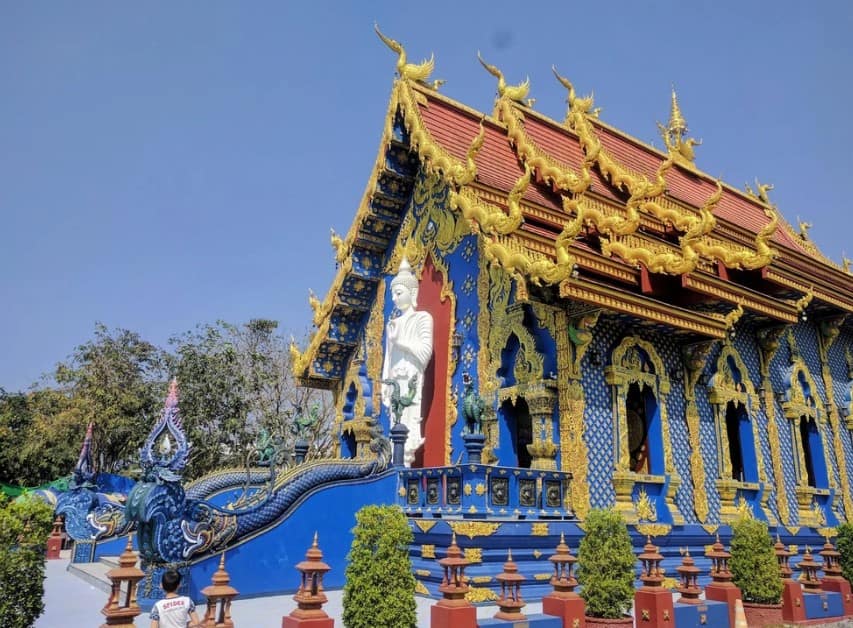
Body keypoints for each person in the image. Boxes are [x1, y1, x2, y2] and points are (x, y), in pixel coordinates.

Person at [382, 257, 434, 466]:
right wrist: (385, 383)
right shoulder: (392, 324)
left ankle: (405, 463)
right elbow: (388, 359)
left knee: (409, 425)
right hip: (396, 379)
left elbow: (424, 353)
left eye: (399, 293)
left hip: (411, 377)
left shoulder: (423, 318)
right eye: (393, 294)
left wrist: (400, 342)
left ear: (412, 293)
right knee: (396, 421)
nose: (394, 298)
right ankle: (396, 462)